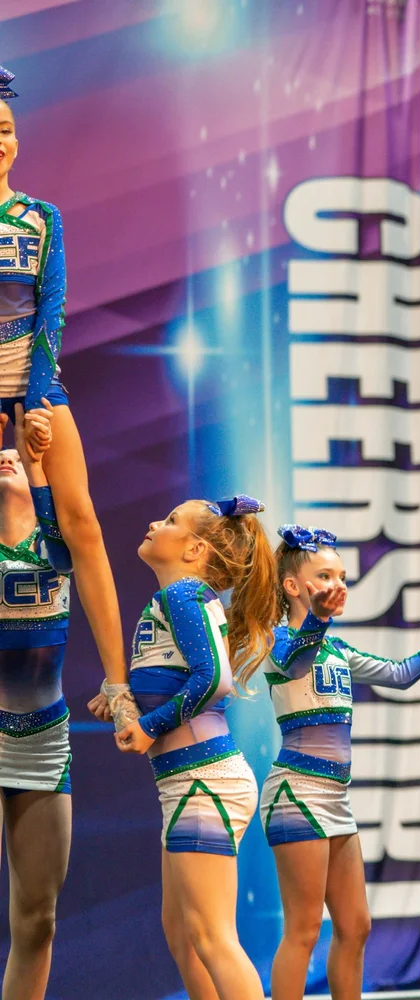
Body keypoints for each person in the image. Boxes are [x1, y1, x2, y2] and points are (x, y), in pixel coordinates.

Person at [261, 524, 420, 999]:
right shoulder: (275, 641)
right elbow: (296, 663)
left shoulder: (338, 649)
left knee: (357, 926)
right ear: (292, 586)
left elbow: (400, 675)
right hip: (296, 794)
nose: (338, 585)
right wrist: (318, 619)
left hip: (335, 800)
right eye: (325, 577)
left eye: (342, 577)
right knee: (304, 929)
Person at [111, 494, 280, 1000]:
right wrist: (124, 702)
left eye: (169, 521)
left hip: (203, 782)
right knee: (185, 938)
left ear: (194, 550)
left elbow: (215, 680)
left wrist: (149, 726)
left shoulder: (183, 594)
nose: (153, 522)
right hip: (191, 783)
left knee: (211, 938)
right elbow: (183, 677)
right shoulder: (177, 598)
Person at [0, 68, 130, 719]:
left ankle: (117, 684)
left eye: (5, 130)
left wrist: (36, 402)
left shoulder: (41, 218)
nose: (0, 142)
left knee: (80, 524)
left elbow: (51, 312)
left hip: (36, 387)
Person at [0, 403, 71, 1000]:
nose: (8, 460)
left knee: (38, 920)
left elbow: (71, 528)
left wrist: (40, 458)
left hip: (45, 739)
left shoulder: (61, 544)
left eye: (15, 460)